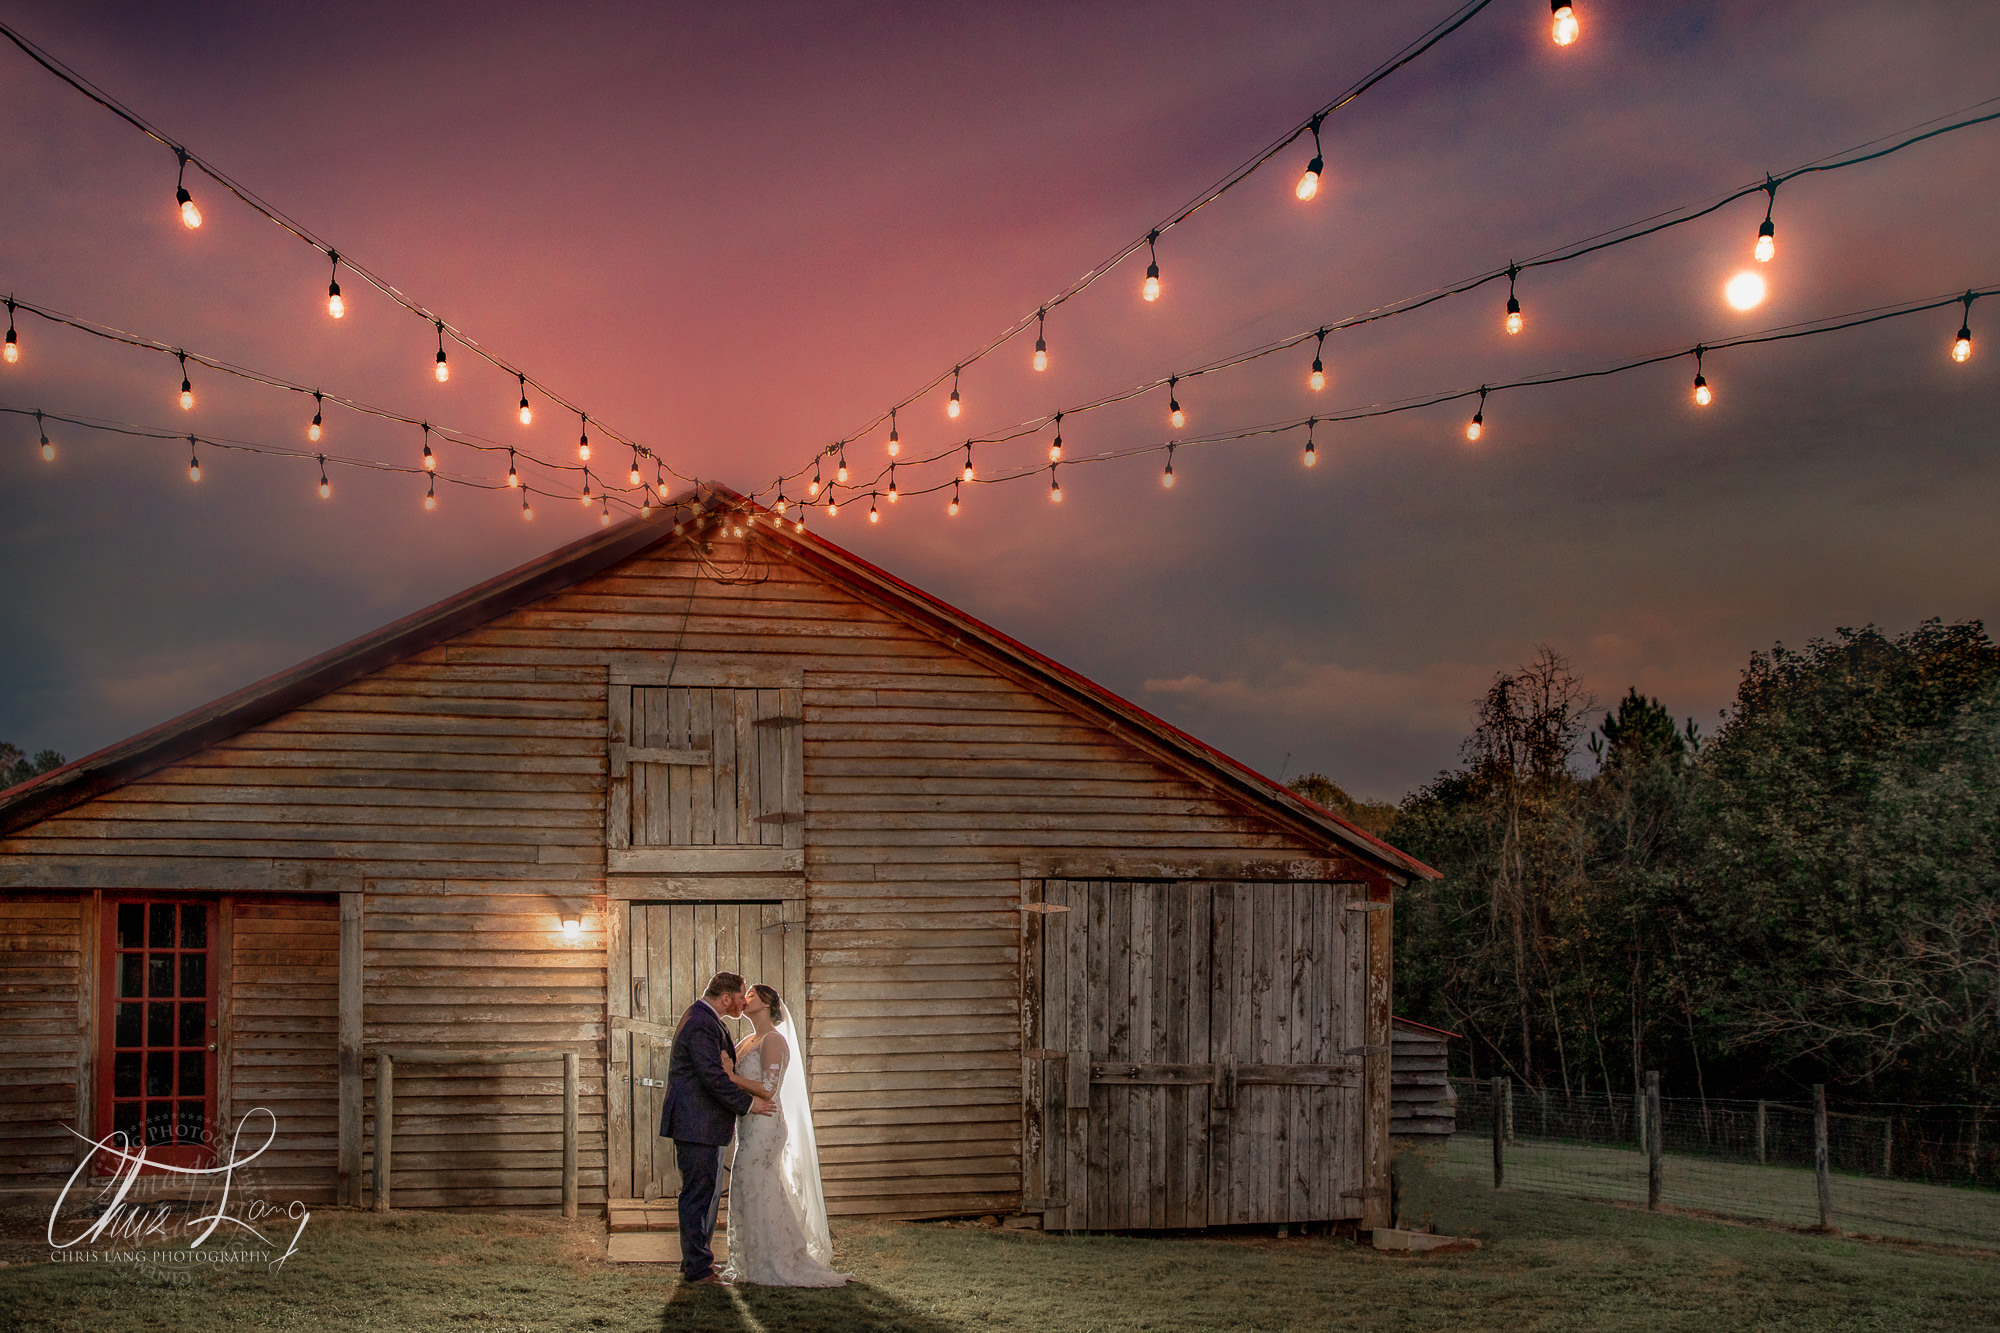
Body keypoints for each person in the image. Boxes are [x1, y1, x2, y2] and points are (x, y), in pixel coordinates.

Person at [713, 982, 850, 1286]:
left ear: (766, 1004)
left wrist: (732, 1076)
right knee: (747, 1187)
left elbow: (768, 1089)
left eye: (750, 995)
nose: (744, 999)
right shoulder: (747, 1041)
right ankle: (750, 1258)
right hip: (748, 1125)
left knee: (757, 1185)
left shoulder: (773, 1040)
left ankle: (774, 1260)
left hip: (766, 1125)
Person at [659, 971, 774, 1286]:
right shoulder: (701, 1023)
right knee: (698, 1195)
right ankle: (698, 1271)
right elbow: (712, 1077)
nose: (743, 1003)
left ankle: (698, 1263)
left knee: (706, 1194)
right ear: (725, 998)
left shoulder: (709, 1020)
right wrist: (748, 1104)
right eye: (740, 997)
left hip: (704, 1124)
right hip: (696, 1124)